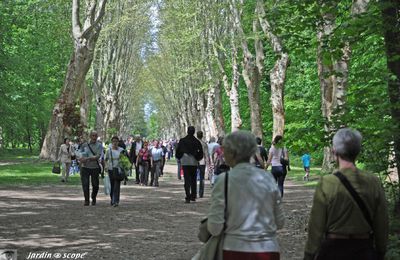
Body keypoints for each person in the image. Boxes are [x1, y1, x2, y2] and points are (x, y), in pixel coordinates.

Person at [303, 128, 389, 260]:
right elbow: (382, 221)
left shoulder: (327, 182)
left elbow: (316, 224)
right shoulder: (373, 181)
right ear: (358, 151)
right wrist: (381, 251)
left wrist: (309, 254)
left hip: (333, 250)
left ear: (334, 151)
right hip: (364, 249)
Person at [206, 130, 284, 259]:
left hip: (234, 250)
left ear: (231, 153)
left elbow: (215, 227)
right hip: (268, 249)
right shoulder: (268, 179)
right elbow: (280, 222)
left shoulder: (224, 181)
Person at [176, 126, 203, 203]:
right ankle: (193, 196)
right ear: (194, 132)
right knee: (193, 179)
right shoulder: (197, 142)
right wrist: (197, 158)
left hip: (185, 161)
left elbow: (178, 151)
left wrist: (180, 157)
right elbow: (200, 152)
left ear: (187, 131)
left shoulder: (182, 141)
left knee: (187, 179)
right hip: (193, 162)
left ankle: (188, 196)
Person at [78, 131, 104, 206]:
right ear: (90, 136)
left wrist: (87, 158)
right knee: (85, 184)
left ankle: (93, 197)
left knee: (95, 185)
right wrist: (80, 158)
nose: (94, 137)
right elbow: (79, 153)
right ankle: (86, 200)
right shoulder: (84, 145)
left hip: (95, 167)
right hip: (85, 167)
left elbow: (97, 156)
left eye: (95, 136)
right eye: (92, 135)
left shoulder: (99, 145)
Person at [104, 136, 125, 207]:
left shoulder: (121, 150)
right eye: (113, 141)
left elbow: (125, 160)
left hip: (118, 169)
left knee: (117, 185)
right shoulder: (108, 151)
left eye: (116, 141)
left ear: (118, 142)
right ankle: (112, 199)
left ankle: (116, 201)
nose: (115, 143)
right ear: (111, 142)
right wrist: (105, 166)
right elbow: (105, 159)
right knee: (112, 186)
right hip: (111, 169)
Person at [196, 131, 210, 198]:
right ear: (202, 136)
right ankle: (201, 193)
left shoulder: (194, 143)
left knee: (193, 177)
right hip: (202, 162)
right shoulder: (204, 144)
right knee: (202, 178)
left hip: (194, 162)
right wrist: (208, 164)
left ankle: (194, 192)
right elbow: (207, 155)